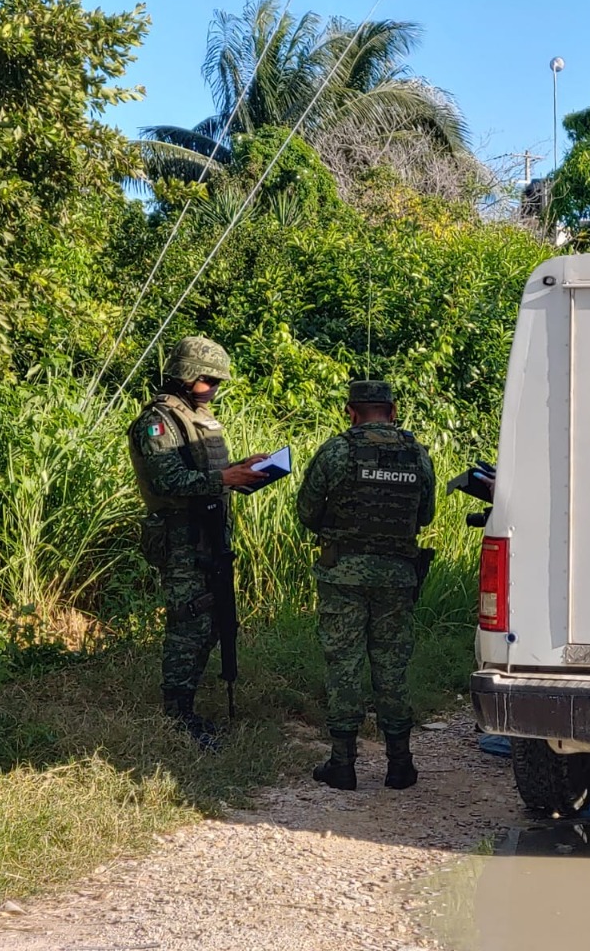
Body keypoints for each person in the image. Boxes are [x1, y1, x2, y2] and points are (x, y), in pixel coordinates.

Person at [127, 336, 268, 750]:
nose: (215, 388)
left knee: (213, 621)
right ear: (186, 376)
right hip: (181, 538)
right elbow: (167, 481)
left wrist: (238, 470)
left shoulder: (195, 417)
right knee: (188, 624)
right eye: (210, 380)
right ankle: (177, 716)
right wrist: (226, 478)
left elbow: (202, 471)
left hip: (208, 534)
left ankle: (187, 709)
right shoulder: (157, 423)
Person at [296, 380, 436, 790]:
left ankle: (343, 764)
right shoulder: (416, 454)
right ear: (393, 412)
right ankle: (400, 765)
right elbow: (425, 514)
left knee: (344, 664)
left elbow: (307, 512)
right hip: (396, 576)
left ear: (351, 412)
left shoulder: (336, 451)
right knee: (392, 665)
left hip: (343, 576)